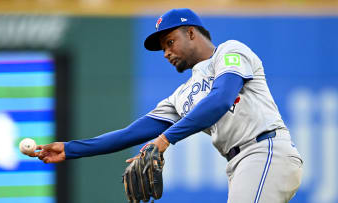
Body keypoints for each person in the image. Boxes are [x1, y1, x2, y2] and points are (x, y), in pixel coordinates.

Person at [32, 8, 303, 203]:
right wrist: (71, 149)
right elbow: (132, 133)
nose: (166, 52)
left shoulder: (230, 51)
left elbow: (220, 99)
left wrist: (164, 140)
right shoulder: (182, 96)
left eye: (170, 42)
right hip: (239, 165)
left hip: (265, 151)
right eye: (163, 48)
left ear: (192, 33)